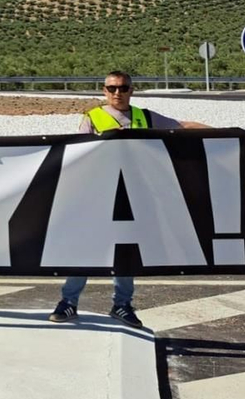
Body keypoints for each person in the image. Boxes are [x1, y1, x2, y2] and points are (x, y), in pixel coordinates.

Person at [49, 70, 211, 329]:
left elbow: (182, 127)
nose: (118, 93)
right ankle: (69, 301)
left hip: (134, 197)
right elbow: (80, 153)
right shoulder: (93, 117)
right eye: (112, 88)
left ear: (131, 90)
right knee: (86, 248)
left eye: (123, 88)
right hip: (100, 195)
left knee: (126, 253)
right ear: (104, 91)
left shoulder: (144, 117)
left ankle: (122, 305)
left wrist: (230, 135)